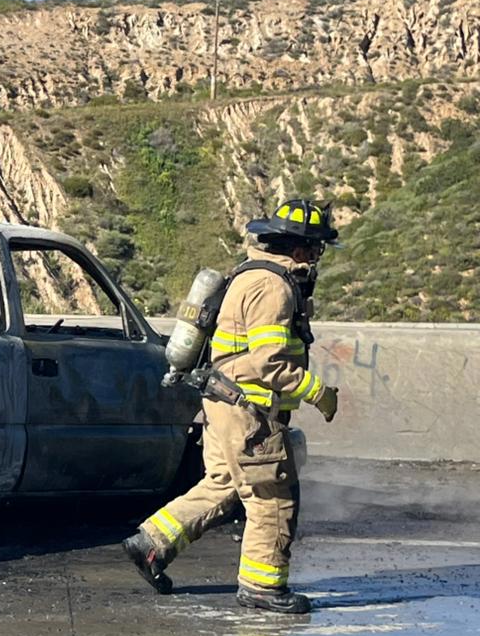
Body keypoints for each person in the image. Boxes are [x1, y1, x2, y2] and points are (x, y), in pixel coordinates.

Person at [123, 199, 341, 615]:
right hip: (250, 413)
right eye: (314, 249)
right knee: (271, 497)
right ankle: (263, 587)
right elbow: (269, 362)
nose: (316, 258)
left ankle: (150, 544)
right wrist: (319, 393)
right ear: (298, 249)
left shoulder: (249, 274)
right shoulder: (273, 287)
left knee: (223, 485)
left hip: (222, 404)